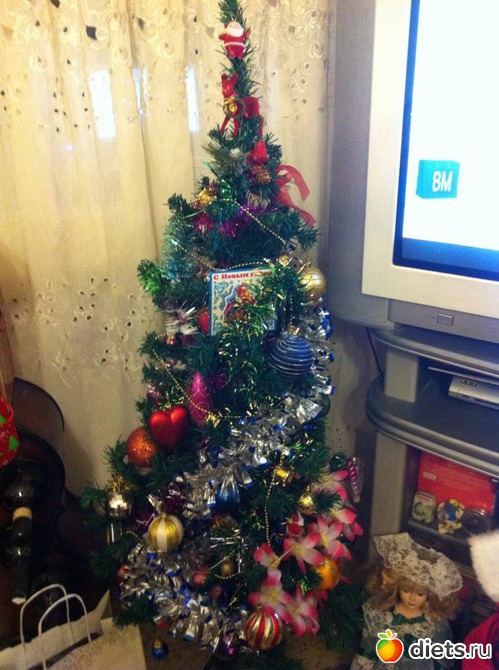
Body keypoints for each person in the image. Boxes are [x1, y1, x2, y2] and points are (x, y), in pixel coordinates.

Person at [351, 533, 462, 669]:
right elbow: (368, 649)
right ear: (395, 587)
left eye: (420, 594)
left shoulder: (434, 622)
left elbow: (441, 658)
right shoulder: (381, 614)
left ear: (430, 595)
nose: (412, 598)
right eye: (405, 590)